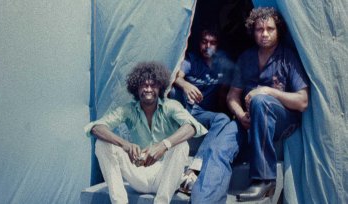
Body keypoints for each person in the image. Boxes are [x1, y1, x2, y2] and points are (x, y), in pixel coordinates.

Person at [84, 62, 207, 204]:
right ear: (136, 88)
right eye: (144, 85)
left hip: (165, 177)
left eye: (153, 85)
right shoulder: (128, 110)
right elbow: (95, 127)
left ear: (160, 87)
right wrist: (124, 144)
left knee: (182, 145)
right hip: (139, 175)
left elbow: (192, 127)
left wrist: (164, 145)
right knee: (102, 144)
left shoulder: (171, 106)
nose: (148, 89)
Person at [226, 7, 309, 202]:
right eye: (259, 29)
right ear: (252, 31)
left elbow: (303, 102)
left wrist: (267, 91)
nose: (264, 34)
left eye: (270, 29)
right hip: (253, 120)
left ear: (278, 30)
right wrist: (240, 115)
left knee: (260, 100)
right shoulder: (246, 58)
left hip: (284, 121)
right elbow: (232, 96)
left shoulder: (287, 57)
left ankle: (265, 180)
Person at [172, 28, 240, 204]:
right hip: (188, 111)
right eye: (204, 41)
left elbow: (228, 88)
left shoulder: (222, 63)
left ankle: (196, 166)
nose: (207, 46)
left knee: (223, 119)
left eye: (212, 42)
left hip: (205, 114)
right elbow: (176, 77)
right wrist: (185, 85)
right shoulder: (192, 60)